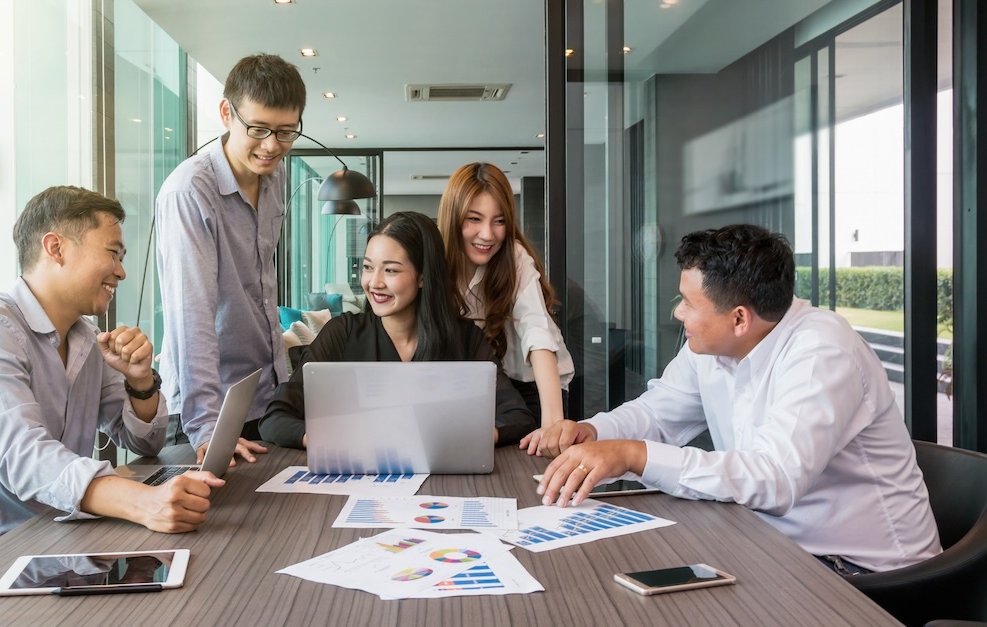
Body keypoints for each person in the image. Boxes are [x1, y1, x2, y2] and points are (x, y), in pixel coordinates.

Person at [526, 224, 941, 575]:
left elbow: (774, 479)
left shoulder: (822, 351)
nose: (678, 314)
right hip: (771, 543)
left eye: (688, 303)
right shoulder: (711, 345)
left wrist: (634, 455)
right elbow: (659, 413)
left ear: (739, 318)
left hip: (859, 572)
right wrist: (592, 433)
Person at [0, 186, 223, 592]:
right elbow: (26, 457)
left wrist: (140, 382)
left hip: (50, 552)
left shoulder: (85, 338)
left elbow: (146, 442)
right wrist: (142, 503)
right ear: (56, 248)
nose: (121, 271)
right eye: (113, 253)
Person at [259, 212, 535, 448]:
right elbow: (276, 417)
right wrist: (328, 440)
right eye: (367, 268)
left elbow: (517, 417)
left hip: (444, 482)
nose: (373, 282)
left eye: (390, 270)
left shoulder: (465, 340)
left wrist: (466, 440)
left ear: (423, 277)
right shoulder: (341, 333)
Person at [156, 53, 307, 465]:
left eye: (286, 132)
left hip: (262, 396)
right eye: (257, 129)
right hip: (206, 413)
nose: (272, 146)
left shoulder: (275, 178)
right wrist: (207, 427)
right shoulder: (189, 192)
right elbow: (192, 317)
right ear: (226, 112)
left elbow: (261, 287)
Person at [437, 162, 575, 436]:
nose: (488, 234)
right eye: (474, 219)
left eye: (499, 221)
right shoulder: (435, 260)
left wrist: (554, 423)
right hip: (476, 391)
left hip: (534, 388)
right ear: (453, 216)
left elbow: (536, 330)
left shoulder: (513, 257)